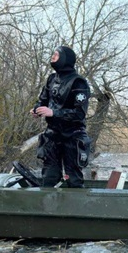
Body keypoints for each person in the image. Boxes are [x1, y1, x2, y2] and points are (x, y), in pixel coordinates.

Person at [30, 46, 91, 188]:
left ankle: (75, 208)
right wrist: (36, 110)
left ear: (65, 59)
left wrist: (54, 113)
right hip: (52, 134)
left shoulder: (78, 82)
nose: (53, 57)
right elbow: (42, 101)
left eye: (56, 55)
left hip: (73, 135)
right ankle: (46, 207)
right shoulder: (51, 79)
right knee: (49, 175)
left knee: (73, 177)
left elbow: (79, 113)